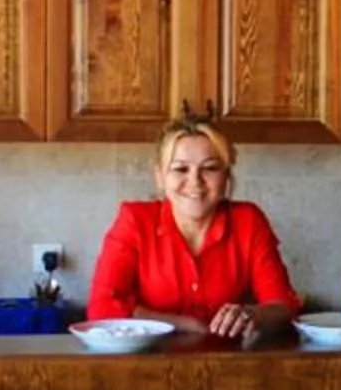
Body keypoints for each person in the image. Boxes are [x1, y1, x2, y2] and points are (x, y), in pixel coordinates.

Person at [85, 119, 302, 340]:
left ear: (226, 176)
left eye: (210, 168)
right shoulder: (135, 221)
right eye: (180, 169)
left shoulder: (249, 221)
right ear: (160, 177)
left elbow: (284, 305)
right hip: (149, 357)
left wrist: (252, 314)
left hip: (226, 358)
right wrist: (184, 324)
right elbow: (102, 309)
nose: (195, 181)